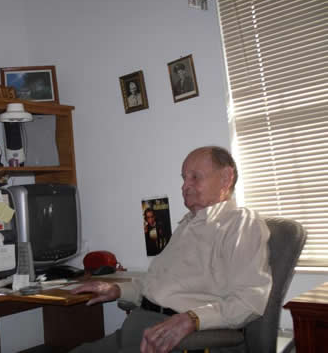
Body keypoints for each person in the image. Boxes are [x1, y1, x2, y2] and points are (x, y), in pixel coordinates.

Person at [71, 146, 272, 353]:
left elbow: (250, 301)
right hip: (136, 329)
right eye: (184, 178)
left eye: (195, 177)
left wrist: (193, 319)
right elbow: (156, 287)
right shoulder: (187, 224)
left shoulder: (242, 224)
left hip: (177, 340)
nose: (185, 186)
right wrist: (117, 290)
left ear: (226, 178)